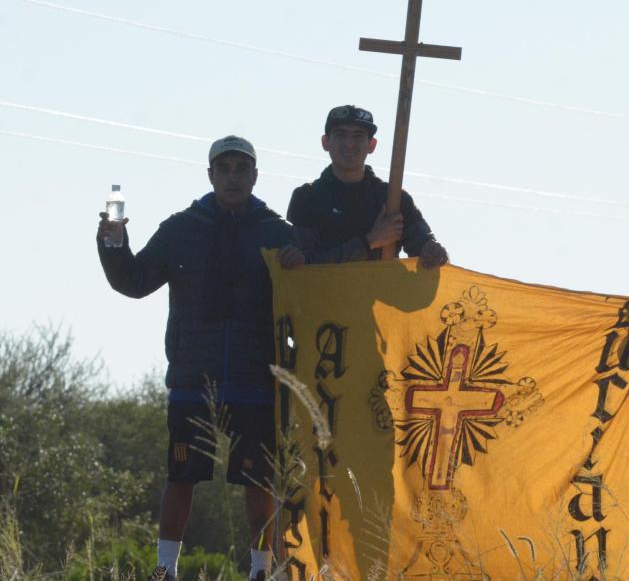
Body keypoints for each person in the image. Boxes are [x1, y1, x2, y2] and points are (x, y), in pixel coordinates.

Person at [97, 136, 297, 581]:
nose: (232, 176)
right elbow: (134, 281)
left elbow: (311, 296)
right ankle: (165, 569)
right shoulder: (181, 228)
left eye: (240, 169)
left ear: (255, 176)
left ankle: (260, 570)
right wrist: (113, 245)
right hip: (192, 376)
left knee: (258, 481)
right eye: (223, 168)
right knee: (181, 474)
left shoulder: (278, 233)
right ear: (210, 175)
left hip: (256, 378)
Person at [283, 104, 448, 267]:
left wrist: (434, 252)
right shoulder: (307, 198)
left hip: (380, 293)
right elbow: (304, 267)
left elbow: (426, 247)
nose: (349, 143)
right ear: (325, 142)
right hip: (325, 293)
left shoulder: (394, 199)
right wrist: (369, 242)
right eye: (341, 134)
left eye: (358, 135)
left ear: (372, 145)